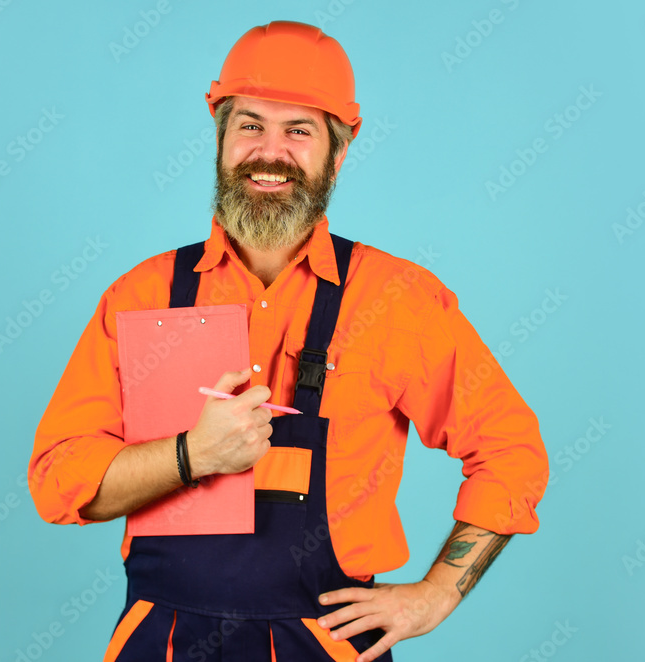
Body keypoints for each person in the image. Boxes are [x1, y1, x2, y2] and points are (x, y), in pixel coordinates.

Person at [29, 20, 549, 662]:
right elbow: (59, 480)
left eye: (298, 131)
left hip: (327, 644)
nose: (269, 152)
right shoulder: (143, 296)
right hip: (161, 642)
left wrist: (437, 594)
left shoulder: (397, 300)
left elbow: (510, 451)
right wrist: (191, 455)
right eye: (250, 125)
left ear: (339, 151)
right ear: (221, 136)